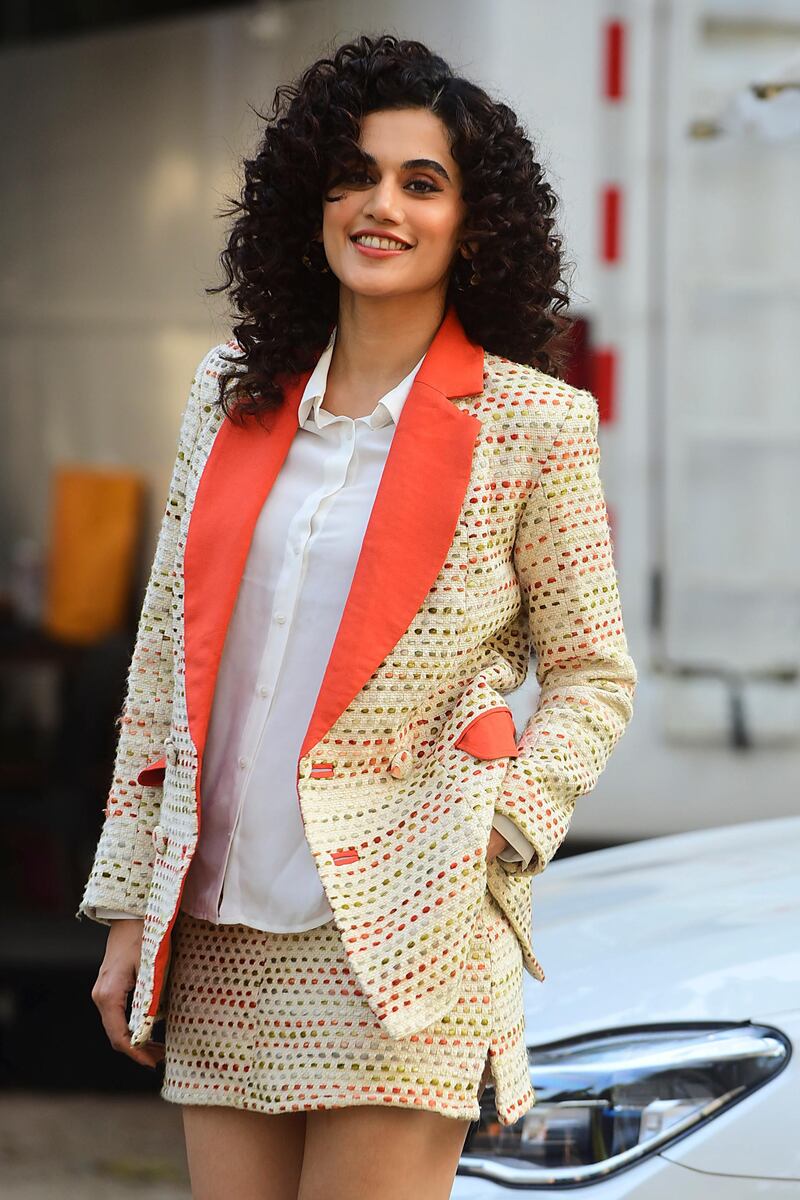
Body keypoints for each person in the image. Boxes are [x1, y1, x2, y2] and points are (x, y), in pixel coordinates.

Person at [79, 33, 637, 1200]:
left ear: (469, 223)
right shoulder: (230, 391)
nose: (379, 205)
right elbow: (161, 667)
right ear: (312, 200)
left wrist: (496, 832)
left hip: (403, 928)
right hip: (223, 923)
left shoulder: (532, 422)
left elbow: (593, 673)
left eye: (418, 183)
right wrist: (132, 907)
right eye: (354, 174)